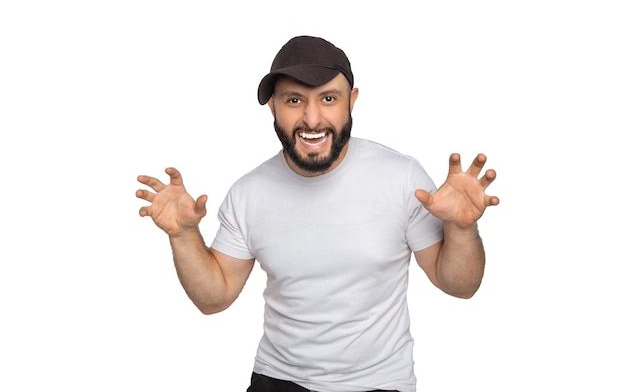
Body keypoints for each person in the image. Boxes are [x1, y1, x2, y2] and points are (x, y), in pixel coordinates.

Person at [136, 35, 499, 392]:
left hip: (379, 384)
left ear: (351, 102)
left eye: (328, 99)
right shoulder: (249, 193)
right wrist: (183, 235)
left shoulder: (401, 178)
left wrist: (461, 229)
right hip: (279, 381)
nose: (311, 119)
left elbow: (459, 286)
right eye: (294, 100)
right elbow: (214, 298)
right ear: (273, 108)